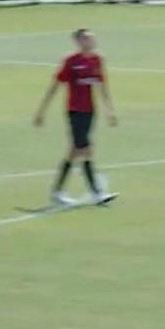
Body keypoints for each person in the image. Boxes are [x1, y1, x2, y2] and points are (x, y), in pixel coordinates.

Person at [33, 29, 119, 206]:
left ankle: (57, 192)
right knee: (86, 149)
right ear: (78, 41)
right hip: (74, 111)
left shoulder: (96, 60)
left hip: (90, 111)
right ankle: (97, 192)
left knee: (75, 151)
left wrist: (109, 110)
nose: (91, 40)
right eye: (87, 38)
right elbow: (55, 86)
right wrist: (42, 111)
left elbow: (102, 86)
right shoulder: (71, 62)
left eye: (91, 38)